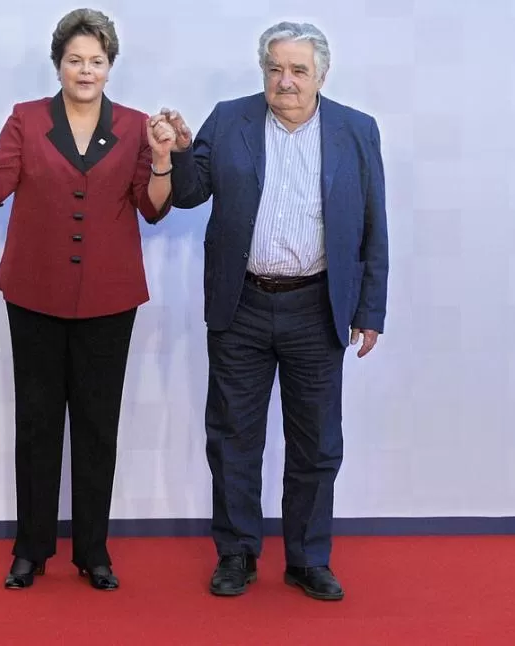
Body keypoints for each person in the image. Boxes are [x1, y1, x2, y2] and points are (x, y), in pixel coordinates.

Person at [158, 21, 388, 601]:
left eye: (298, 70)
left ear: (321, 75)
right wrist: (179, 153)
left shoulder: (356, 131)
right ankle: (236, 553)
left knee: (317, 442)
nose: (285, 81)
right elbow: (187, 194)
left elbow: (372, 227)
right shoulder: (228, 118)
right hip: (242, 304)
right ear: (263, 69)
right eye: (275, 68)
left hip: (318, 306)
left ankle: (309, 559)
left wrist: (371, 309)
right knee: (234, 437)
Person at [0, 8, 177, 591]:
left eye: (97, 61)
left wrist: (161, 159)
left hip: (109, 298)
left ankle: (93, 551)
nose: (86, 70)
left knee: (98, 426)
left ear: (111, 66)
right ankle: (30, 550)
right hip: (35, 294)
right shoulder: (26, 120)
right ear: (58, 64)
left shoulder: (134, 125)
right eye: (76, 60)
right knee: (36, 424)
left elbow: (153, 206)